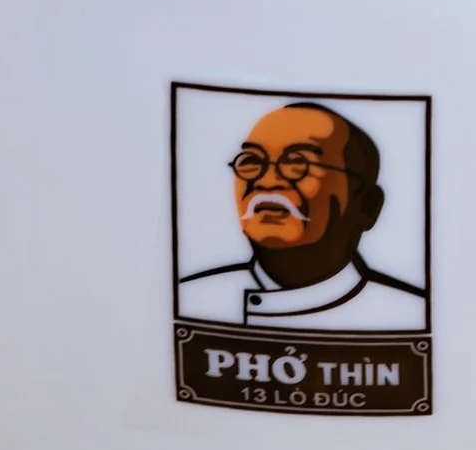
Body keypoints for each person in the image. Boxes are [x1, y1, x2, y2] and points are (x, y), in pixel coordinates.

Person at [175, 101, 426, 330]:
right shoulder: (191, 296)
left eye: (298, 164)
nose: (267, 182)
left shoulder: (410, 310)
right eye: (251, 161)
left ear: (367, 206)